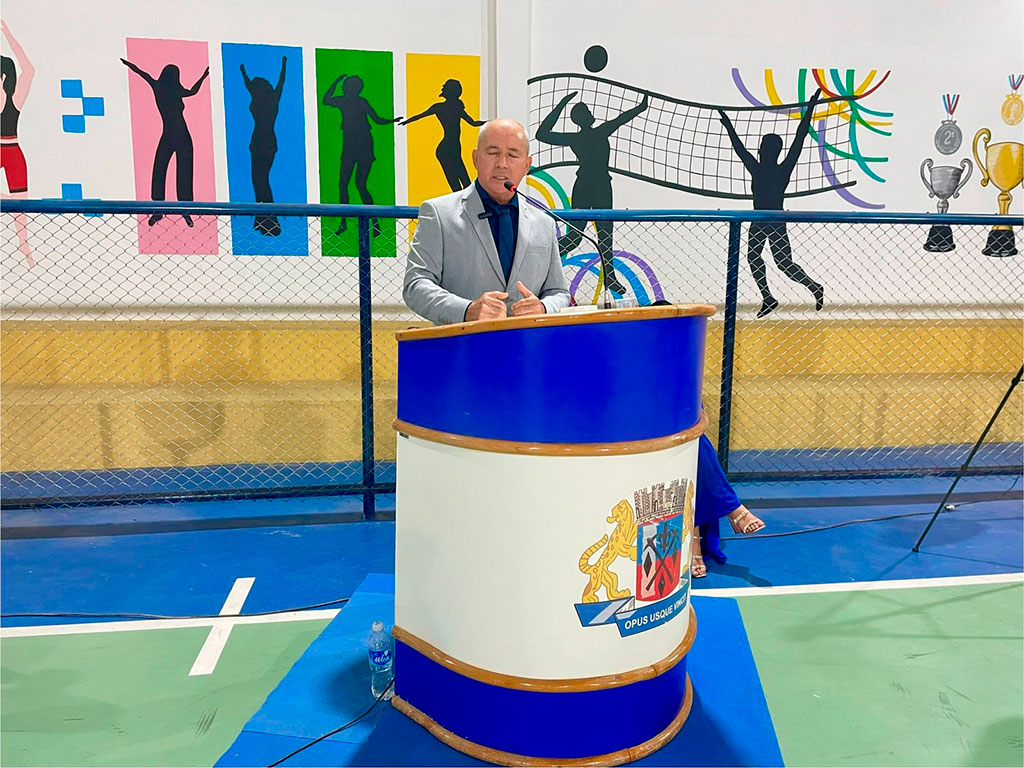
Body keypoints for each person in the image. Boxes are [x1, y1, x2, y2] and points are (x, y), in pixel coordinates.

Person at [403, 119, 571, 325]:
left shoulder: (544, 223)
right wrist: (466, 310)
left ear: (527, 165)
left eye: (512, 155)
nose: (502, 164)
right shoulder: (438, 214)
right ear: (475, 158)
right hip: (462, 343)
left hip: (527, 343)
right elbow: (415, 285)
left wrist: (543, 308)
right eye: (492, 153)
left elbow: (559, 292)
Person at [649, 300, 765, 577]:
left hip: (679, 437)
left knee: (694, 446)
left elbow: (695, 410)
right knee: (695, 447)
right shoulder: (637, 363)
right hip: (647, 437)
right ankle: (734, 510)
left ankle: (695, 541)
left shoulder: (682, 364)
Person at [718, 89, 825, 318]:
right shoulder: (762, 168)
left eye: (763, 147)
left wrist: (811, 108)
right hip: (760, 220)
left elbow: (800, 137)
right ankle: (768, 297)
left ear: (766, 151)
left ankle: (814, 287)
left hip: (774, 220)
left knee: (784, 264)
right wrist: (728, 127)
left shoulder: (777, 169)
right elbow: (740, 149)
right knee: (754, 257)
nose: (759, 150)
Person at [535, 91, 648, 297]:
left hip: (596, 186)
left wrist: (641, 107)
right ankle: (541, 262)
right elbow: (541, 135)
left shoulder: (579, 137)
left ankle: (610, 277)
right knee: (578, 237)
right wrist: (562, 103)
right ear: (583, 118)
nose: (591, 113)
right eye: (587, 111)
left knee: (603, 235)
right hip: (592, 187)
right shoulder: (595, 133)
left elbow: (621, 119)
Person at [121, 57, 210, 227]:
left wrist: (204, 77)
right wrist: (203, 77)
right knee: (164, 171)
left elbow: (142, 73)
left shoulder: (161, 87)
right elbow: (142, 73)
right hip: (175, 134)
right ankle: (159, 210)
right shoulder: (169, 89)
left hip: (178, 135)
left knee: (178, 172)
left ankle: (185, 211)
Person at [322, 74, 401, 236]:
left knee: (358, 184)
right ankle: (345, 222)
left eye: (346, 86)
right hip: (351, 144)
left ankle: (374, 224)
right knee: (345, 184)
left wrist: (392, 121)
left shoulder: (358, 102)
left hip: (362, 143)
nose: (345, 89)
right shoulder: (346, 101)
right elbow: (326, 100)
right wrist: (336, 81)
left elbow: (377, 119)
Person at [400, 78, 484, 192]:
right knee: (462, 184)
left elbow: (473, 123)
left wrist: (491, 122)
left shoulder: (448, 108)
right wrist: (406, 121)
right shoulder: (446, 108)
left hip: (451, 147)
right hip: (448, 148)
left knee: (463, 184)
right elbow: (473, 123)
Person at [241, 57, 286, 236]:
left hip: (262, 141)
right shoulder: (270, 98)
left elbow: (281, 81)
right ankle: (262, 219)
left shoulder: (266, 98)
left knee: (261, 181)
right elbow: (250, 85)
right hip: (261, 142)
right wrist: (243, 71)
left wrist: (284, 65)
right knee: (259, 181)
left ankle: (269, 221)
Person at [1, 20, 34, 266]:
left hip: (12, 150)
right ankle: (8, 200)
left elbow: (29, 70)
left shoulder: (15, 99)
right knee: (15, 201)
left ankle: (23, 242)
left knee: (21, 203)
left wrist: (8, 34)